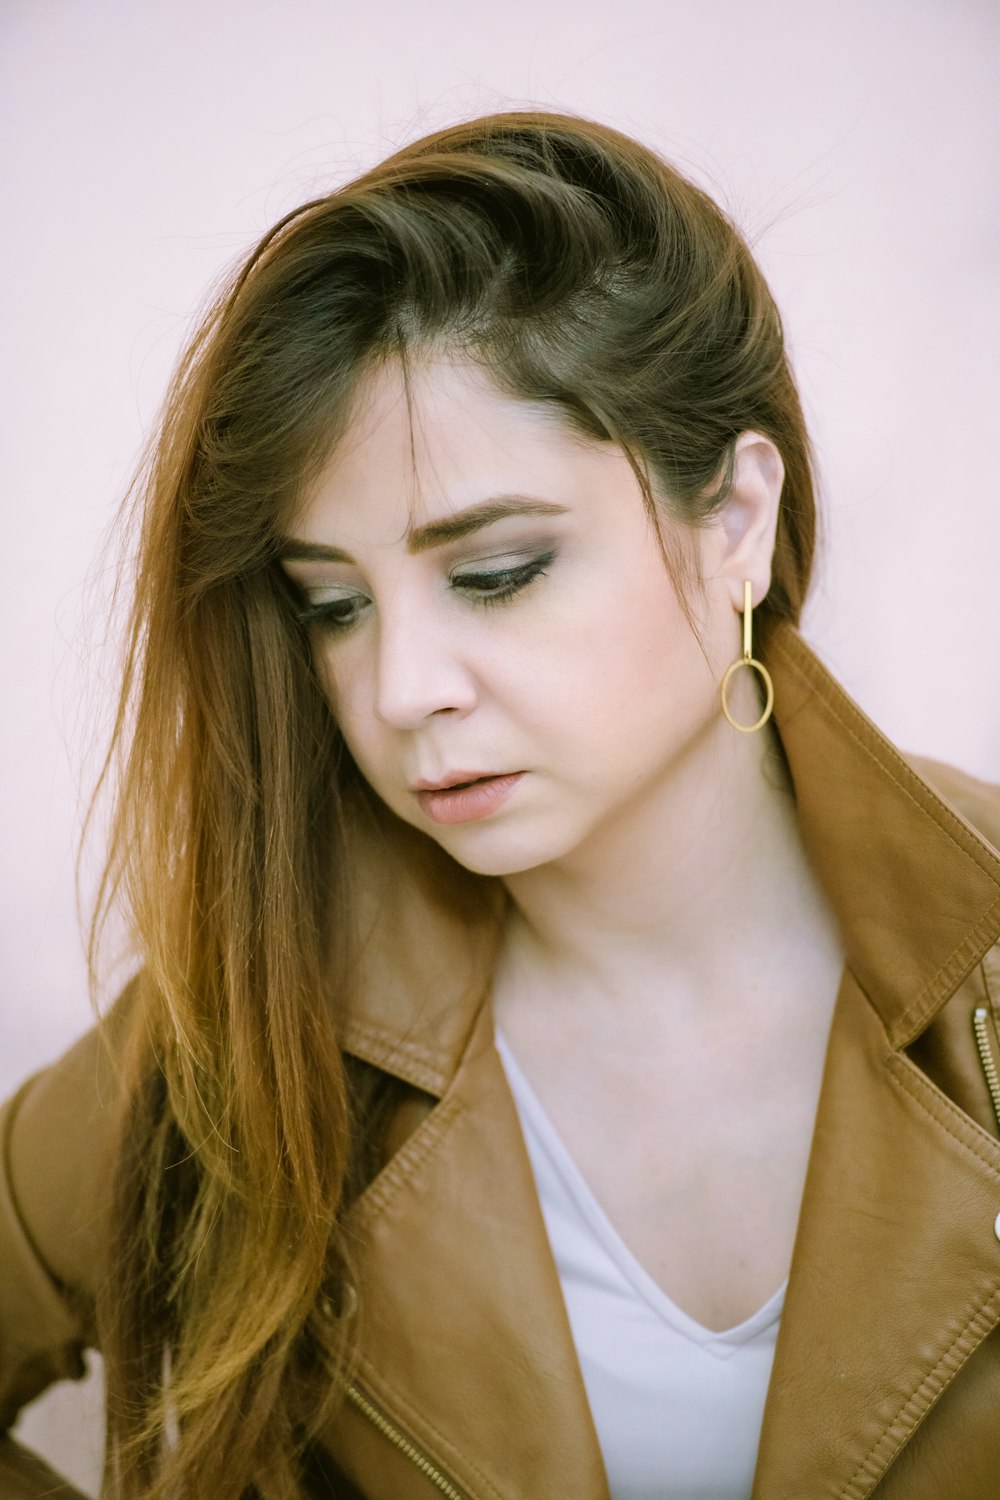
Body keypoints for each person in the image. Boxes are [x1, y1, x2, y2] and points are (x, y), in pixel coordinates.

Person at [1, 110, 999, 1500]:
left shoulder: (984, 951)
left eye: (496, 573)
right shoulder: (260, 1014)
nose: (399, 687)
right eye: (332, 606)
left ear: (735, 522)